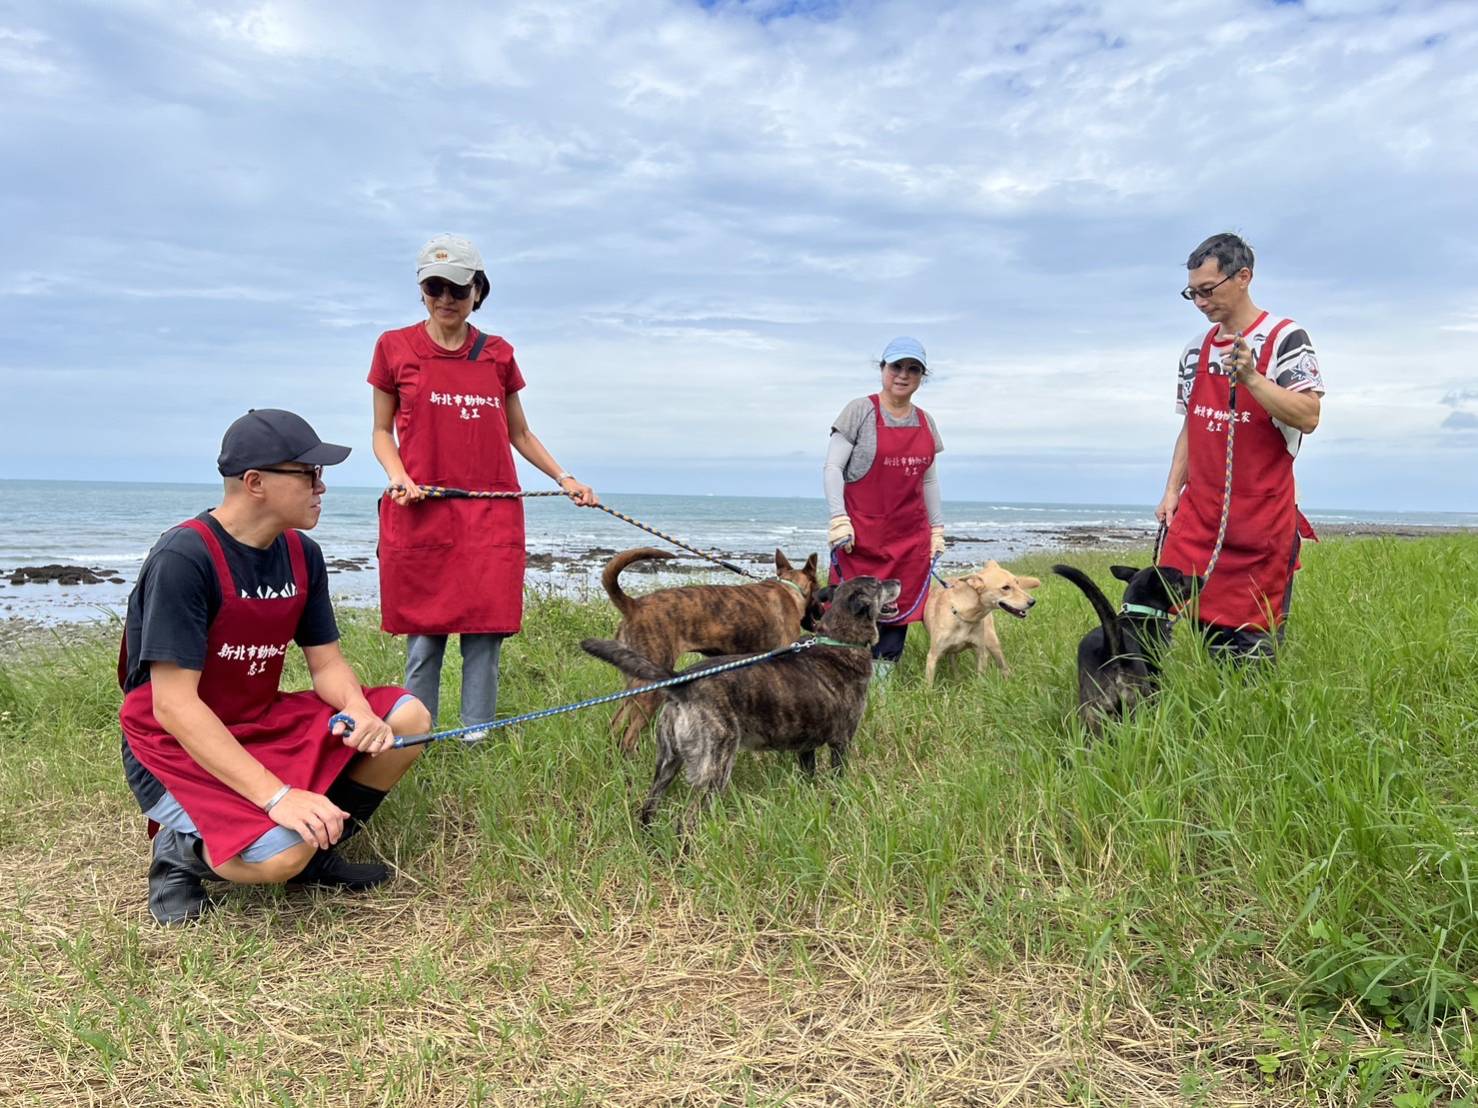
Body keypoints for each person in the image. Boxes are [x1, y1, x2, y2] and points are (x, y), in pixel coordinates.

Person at [119, 409, 433, 925]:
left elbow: (327, 663)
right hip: (172, 742)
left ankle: (317, 849)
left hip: (259, 720)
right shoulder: (184, 557)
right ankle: (180, 854)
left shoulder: (301, 553)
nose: (322, 486)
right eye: (308, 473)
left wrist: (359, 711)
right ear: (255, 482)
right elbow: (173, 706)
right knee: (281, 855)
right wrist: (279, 796)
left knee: (408, 719)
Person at [370, 233, 598, 729]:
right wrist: (399, 476)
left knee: (484, 639)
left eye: (457, 288)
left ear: (478, 291)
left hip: (489, 515)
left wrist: (565, 478)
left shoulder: (497, 354)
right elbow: (380, 432)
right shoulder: (394, 348)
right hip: (421, 510)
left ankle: (477, 738)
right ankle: (413, 740)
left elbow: (520, 432)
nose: (446, 300)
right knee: (425, 640)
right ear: (422, 291)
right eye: (435, 288)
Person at [1156, 233, 1324, 659]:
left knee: (1251, 646)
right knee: (1183, 625)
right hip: (1200, 517)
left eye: (1207, 290)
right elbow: (1192, 427)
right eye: (1191, 293)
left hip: (1260, 519)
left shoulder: (1286, 337)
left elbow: (1308, 415)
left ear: (1244, 276)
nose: (1199, 302)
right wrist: (1172, 490)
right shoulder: (1194, 350)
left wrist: (1252, 379)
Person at [824, 336, 946, 679]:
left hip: (909, 539)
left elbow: (928, 481)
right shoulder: (859, 412)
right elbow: (833, 468)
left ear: (922, 376)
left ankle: (881, 689)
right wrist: (838, 518)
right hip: (859, 537)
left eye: (913, 369)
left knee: (896, 612)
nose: (903, 375)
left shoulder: (926, 422)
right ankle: (838, 680)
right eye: (896, 366)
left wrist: (936, 529)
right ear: (883, 369)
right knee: (849, 610)